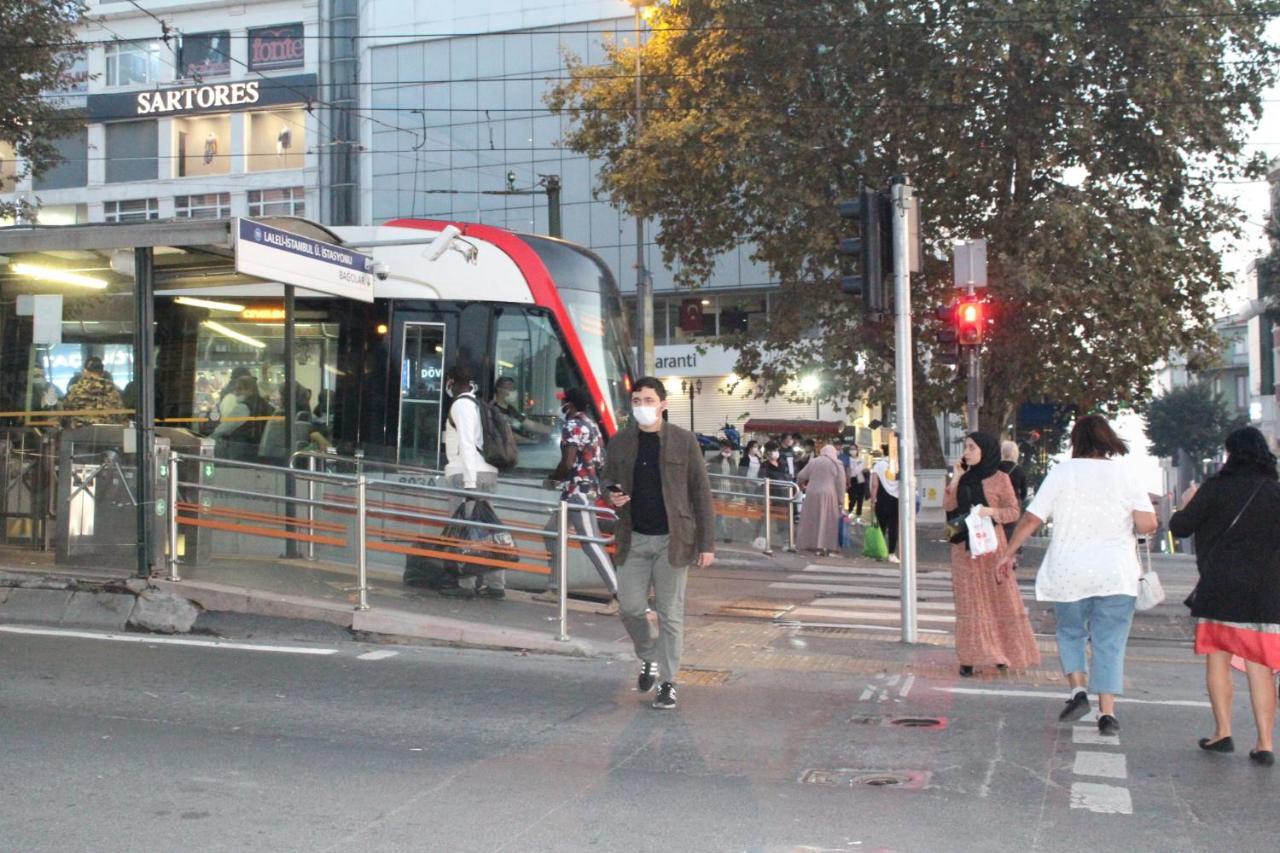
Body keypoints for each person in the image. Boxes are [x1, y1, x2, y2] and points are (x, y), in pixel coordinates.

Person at [998, 415, 1157, 738]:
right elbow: (1148, 523)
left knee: (1070, 633)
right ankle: (1107, 713)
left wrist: (1009, 552)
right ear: (1107, 439)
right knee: (1108, 643)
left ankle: (1078, 691)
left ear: (1076, 441)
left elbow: (1031, 518)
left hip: (1069, 571)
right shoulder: (1125, 474)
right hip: (1115, 574)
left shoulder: (1063, 472)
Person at [1169, 426, 1280, 766]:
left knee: (1217, 657)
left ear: (1230, 454)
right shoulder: (1275, 492)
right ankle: (1264, 743)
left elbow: (1180, 528)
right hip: (1265, 592)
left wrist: (1186, 504)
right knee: (1260, 666)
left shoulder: (1215, 489)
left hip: (1219, 588)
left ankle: (1223, 732)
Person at [602, 376, 715, 711]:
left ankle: (668, 682)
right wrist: (611, 493)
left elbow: (701, 493)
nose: (642, 407)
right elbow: (605, 477)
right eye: (636, 401)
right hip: (633, 538)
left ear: (663, 404)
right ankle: (649, 656)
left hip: (673, 541)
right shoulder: (620, 442)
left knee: (670, 614)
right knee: (631, 607)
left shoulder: (684, 441)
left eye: (648, 400)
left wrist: (707, 544)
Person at [944, 432, 1041, 677]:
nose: (966, 452)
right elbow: (948, 506)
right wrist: (956, 478)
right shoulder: (963, 477)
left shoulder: (1000, 478)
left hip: (991, 547)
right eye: (965, 447)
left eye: (971, 448)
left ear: (985, 451)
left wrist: (991, 511)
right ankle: (968, 657)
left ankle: (1001, 653)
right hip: (963, 548)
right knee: (969, 603)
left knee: (999, 600)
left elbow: (1013, 511)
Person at [544, 386, 619, 601]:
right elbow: (599, 460)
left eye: (562, 401)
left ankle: (618, 593)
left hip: (578, 492)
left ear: (570, 404)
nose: (560, 405)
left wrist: (553, 478)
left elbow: (567, 462)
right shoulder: (591, 424)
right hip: (578, 491)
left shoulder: (573, 425)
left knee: (590, 542)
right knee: (551, 532)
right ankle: (555, 586)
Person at [440, 364, 504, 600]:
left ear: (453, 382)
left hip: (469, 475)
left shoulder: (461, 405)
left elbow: (466, 444)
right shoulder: (478, 405)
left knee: (465, 529)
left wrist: (468, 483)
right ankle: (495, 583)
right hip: (486, 472)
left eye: (448, 381)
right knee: (487, 529)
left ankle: (466, 583)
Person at [795, 443, 846, 557]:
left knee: (812, 519)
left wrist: (801, 486)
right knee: (827, 520)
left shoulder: (814, 461)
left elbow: (801, 476)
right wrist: (841, 500)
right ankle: (824, 545)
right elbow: (841, 483)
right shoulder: (837, 464)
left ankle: (810, 544)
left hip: (812, 493)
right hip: (829, 494)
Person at [62, 356, 126, 427]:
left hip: (80, 432)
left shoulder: (75, 389)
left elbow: (65, 414)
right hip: (107, 431)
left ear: (85, 372)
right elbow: (121, 415)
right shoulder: (112, 388)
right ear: (102, 373)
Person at [493, 375, 553, 441]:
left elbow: (528, 424)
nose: (513, 391)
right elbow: (506, 434)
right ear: (499, 389)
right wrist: (528, 441)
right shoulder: (493, 410)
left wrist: (550, 430)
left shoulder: (511, 410)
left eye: (514, 388)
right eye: (509, 388)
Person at [869, 452, 901, 564]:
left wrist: (873, 500)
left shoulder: (878, 465)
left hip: (881, 500)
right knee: (894, 527)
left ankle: (880, 553)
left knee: (881, 527)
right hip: (896, 500)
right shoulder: (899, 465)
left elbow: (874, 485)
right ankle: (892, 553)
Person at [997, 440, 1029, 545]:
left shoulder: (995, 467)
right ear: (1016, 453)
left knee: (996, 528)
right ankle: (1011, 554)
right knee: (1011, 530)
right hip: (1012, 503)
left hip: (996, 502)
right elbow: (1024, 493)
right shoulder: (1020, 471)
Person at [844, 444, 868, 523]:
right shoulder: (848, 459)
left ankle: (858, 516)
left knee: (860, 498)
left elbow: (861, 469)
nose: (853, 450)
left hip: (860, 479)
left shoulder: (861, 459)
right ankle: (849, 512)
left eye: (854, 449)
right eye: (851, 449)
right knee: (852, 498)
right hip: (852, 480)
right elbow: (850, 470)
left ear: (857, 450)